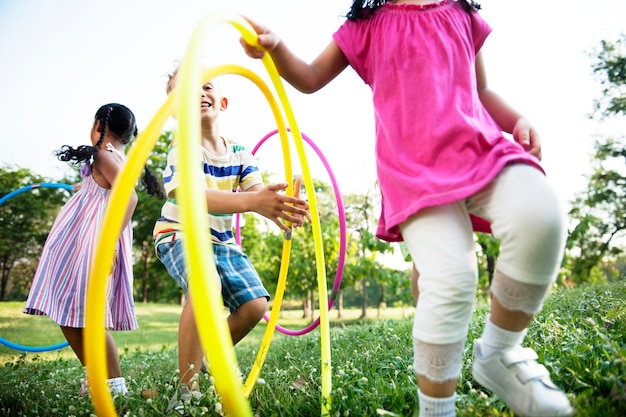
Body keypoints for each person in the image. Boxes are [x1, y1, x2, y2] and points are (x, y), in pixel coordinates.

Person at [240, 1, 573, 416]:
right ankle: (436, 409)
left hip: (479, 148)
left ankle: (500, 353)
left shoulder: (462, 14)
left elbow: (481, 91)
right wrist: (276, 47)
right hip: (413, 169)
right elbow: (309, 77)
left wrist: (517, 118)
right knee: (451, 276)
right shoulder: (366, 26)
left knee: (540, 214)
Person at [153, 68, 310, 403]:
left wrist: (282, 208)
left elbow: (258, 193)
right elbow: (192, 196)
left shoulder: (240, 152)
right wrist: (255, 201)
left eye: (205, 86)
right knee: (206, 284)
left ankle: (206, 354)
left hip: (222, 241)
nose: (197, 94)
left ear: (222, 101)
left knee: (255, 306)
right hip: (180, 233)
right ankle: (186, 388)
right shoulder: (181, 147)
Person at [23, 103, 164, 396]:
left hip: (88, 244)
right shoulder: (116, 158)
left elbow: (129, 198)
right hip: (84, 242)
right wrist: (84, 187)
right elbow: (103, 191)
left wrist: (109, 242)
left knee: (84, 317)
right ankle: (101, 380)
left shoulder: (102, 154)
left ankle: (111, 386)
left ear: (99, 125)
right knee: (76, 313)